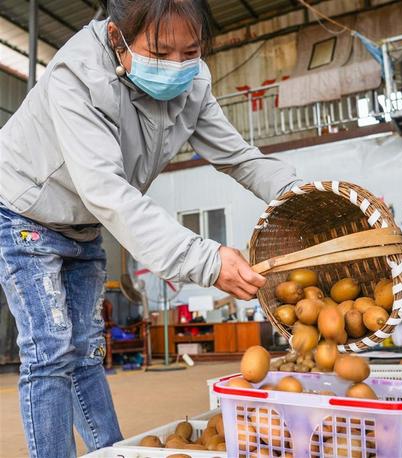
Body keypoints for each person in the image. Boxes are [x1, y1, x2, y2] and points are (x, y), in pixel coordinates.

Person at [0, 1, 300, 456]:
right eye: (160, 53)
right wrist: (204, 259)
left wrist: (302, 194)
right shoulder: (77, 77)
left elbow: (239, 157)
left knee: (85, 351)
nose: (177, 66)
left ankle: (110, 451)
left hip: (84, 223)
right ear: (119, 38)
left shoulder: (192, 81)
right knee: (50, 351)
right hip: (25, 212)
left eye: (190, 51)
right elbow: (108, 191)